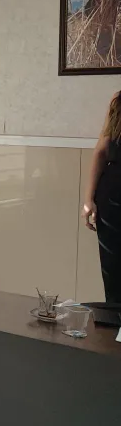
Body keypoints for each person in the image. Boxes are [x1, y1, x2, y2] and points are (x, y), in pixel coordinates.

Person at [82, 91, 121, 304]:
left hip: (112, 194)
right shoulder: (119, 100)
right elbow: (101, 152)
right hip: (113, 198)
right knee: (113, 271)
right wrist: (89, 200)